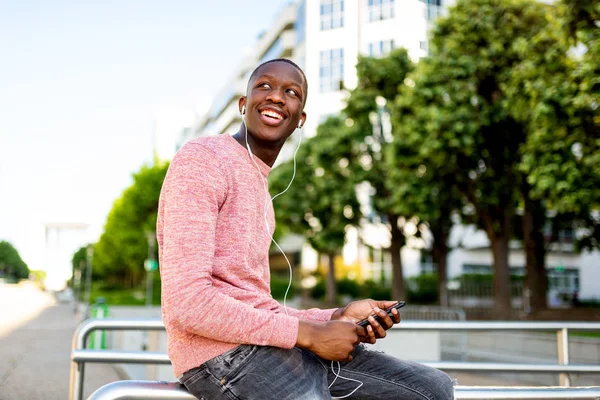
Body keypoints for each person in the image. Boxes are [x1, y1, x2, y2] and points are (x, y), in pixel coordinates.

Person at [157, 58, 455, 400]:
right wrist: (309, 334)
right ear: (243, 105)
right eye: (264, 86)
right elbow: (187, 303)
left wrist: (335, 316)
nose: (277, 97)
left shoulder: (260, 185)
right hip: (220, 358)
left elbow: (257, 308)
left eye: (291, 92)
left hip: (268, 347)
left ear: (300, 119)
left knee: (431, 389)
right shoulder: (204, 158)